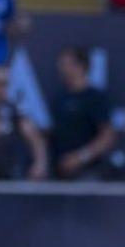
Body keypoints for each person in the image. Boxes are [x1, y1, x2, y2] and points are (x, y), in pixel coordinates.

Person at [48, 46, 115, 180]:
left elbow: (107, 137)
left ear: (81, 66)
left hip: (88, 172)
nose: (62, 69)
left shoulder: (95, 97)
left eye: (66, 64)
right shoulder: (59, 98)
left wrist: (81, 157)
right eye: (61, 65)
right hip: (59, 173)